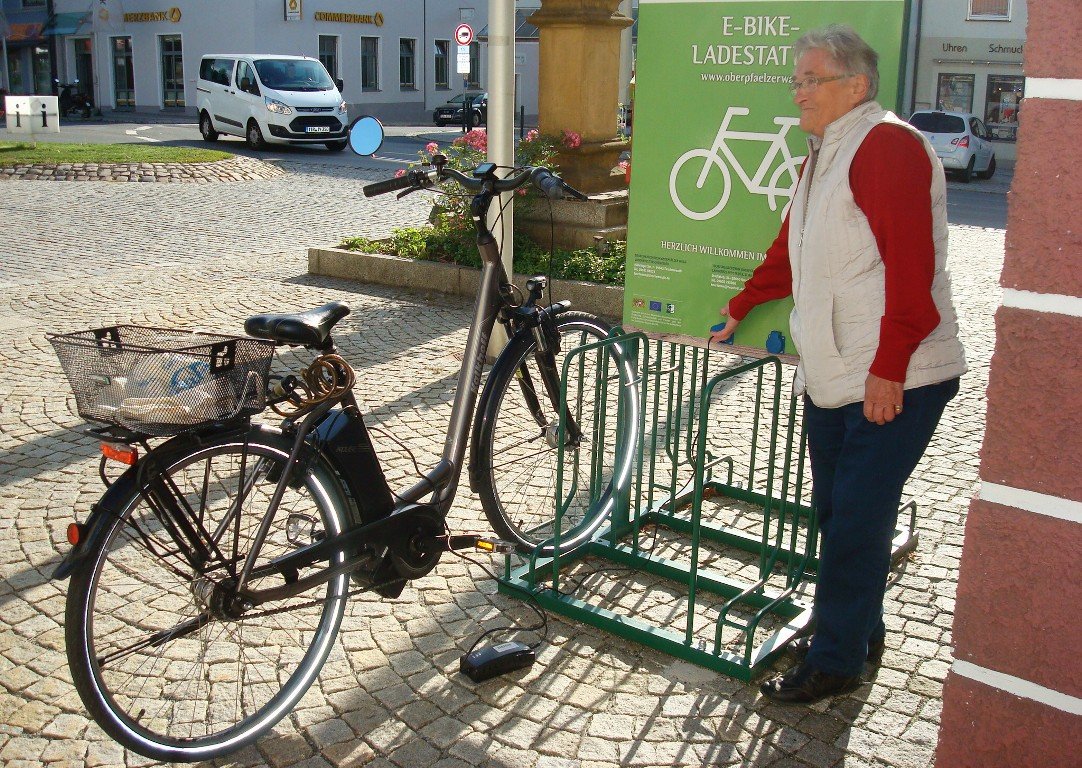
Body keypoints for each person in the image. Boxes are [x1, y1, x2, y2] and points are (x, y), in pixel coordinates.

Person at [710, 25, 966, 705]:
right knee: (838, 512)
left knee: (854, 518)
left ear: (855, 85)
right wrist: (741, 305)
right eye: (795, 80)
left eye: (809, 79)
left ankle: (835, 661)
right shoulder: (825, 151)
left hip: (893, 375)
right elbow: (792, 249)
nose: (797, 91)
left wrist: (889, 369)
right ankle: (859, 630)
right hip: (836, 370)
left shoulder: (887, 146)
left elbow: (915, 272)